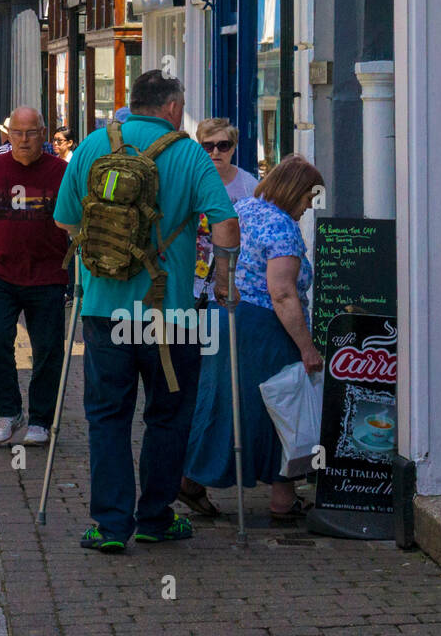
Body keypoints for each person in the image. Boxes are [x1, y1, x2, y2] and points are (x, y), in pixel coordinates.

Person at [54, 70, 240, 553]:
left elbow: (64, 219)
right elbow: (225, 222)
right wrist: (223, 278)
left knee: (108, 416)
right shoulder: (189, 154)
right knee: (168, 415)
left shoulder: (93, 146)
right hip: (171, 315)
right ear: (174, 108)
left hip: (102, 308)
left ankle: (110, 526)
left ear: (132, 103)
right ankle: (156, 517)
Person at [184, 154, 325, 524]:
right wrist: (307, 346)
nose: (309, 208)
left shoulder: (243, 208)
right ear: (295, 192)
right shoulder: (281, 227)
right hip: (261, 325)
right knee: (282, 405)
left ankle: (274, 495)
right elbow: (282, 293)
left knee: (222, 401)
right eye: (308, 199)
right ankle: (197, 479)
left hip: (222, 315)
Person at [0, 107, 70, 448]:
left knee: (48, 349)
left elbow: (75, 223)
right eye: (18, 133)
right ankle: (9, 412)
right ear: (8, 135)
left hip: (48, 275)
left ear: (43, 134)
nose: (24, 140)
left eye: (31, 133)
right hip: (0, 272)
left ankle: (41, 418)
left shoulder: (60, 171)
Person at [183, 117, 261, 517]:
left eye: (223, 146)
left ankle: (191, 475)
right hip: (188, 293)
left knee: (212, 385)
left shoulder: (248, 186)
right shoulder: (190, 179)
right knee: (188, 384)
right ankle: (188, 472)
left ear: (235, 147)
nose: (216, 153)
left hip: (226, 297)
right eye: (208, 146)